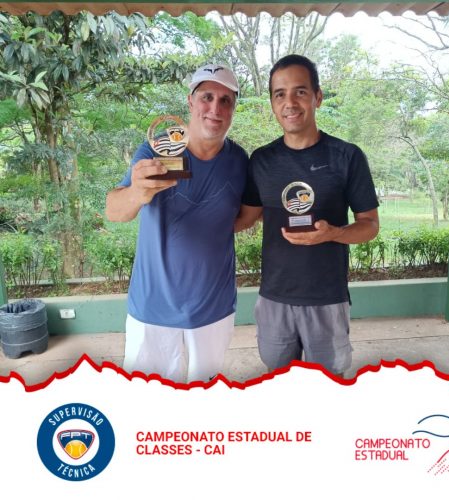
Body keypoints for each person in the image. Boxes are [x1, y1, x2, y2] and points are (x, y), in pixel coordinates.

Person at [235, 54, 379, 376]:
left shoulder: (347, 156)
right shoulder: (262, 160)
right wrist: (193, 219)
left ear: (317, 97)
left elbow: (369, 225)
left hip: (326, 298)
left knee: (327, 384)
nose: (290, 103)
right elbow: (246, 218)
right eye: (280, 94)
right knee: (277, 379)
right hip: (274, 297)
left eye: (300, 92)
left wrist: (334, 233)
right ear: (272, 103)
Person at [106, 64, 248, 383]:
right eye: (207, 97)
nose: (215, 108)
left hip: (213, 310)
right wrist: (137, 192)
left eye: (226, 100)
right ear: (190, 101)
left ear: (234, 108)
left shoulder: (239, 161)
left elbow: (245, 216)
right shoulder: (156, 150)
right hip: (151, 309)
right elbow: (115, 211)